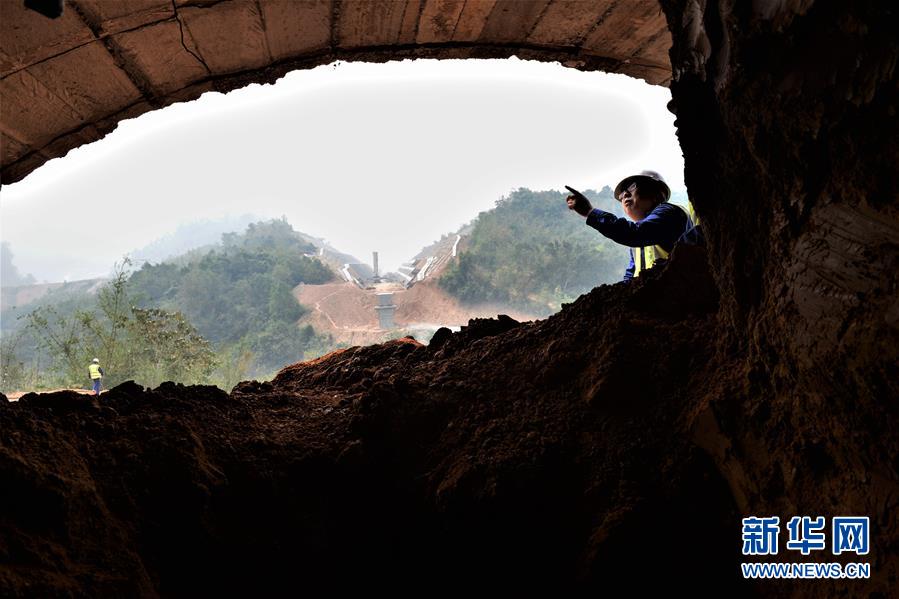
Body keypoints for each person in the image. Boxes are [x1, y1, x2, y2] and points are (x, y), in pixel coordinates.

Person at [566, 171, 694, 281]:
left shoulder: (669, 213)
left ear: (657, 195)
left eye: (633, 187)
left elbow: (635, 233)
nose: (625, 194)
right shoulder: (638, 241)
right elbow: (631, 277)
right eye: (621, 195)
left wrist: (590, 212)